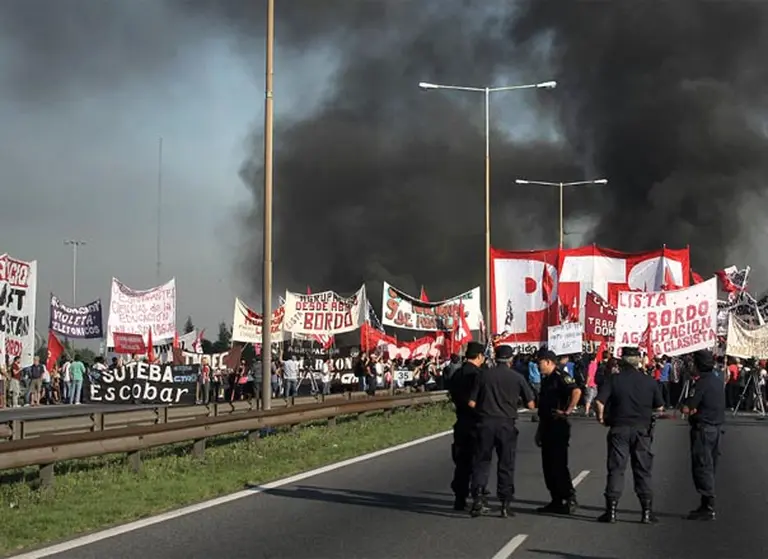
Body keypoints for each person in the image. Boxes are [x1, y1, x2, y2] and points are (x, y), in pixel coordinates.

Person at [594, 346, 664, 524]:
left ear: (622, 361)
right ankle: (646, 512)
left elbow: (599, 401)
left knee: (616, 469)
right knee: (643, 470)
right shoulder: (649, 382)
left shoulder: (614, 380)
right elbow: (660, 407)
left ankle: (611, 511)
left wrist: (601, 417)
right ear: (639, 361)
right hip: (642, 430)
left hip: (619, 428)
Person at [468, 345, 536, 518]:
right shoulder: (517, 378)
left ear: (494, 358)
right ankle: (505, 503)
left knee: (482, 462)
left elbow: (472, 403)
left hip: (485, 423)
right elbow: (530, 404)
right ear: (510, 360)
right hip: (506, 424)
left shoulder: (483, 376)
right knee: (506, 463)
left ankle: (477, 498)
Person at [535, 348, 582, 515]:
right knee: (547, 466)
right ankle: (555, 499)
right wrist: (539, 431)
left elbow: (576, 391)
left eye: (539, 362)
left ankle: (569, 497)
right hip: (547, 425)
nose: (537, 365)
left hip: (558, 426)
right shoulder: (546, 379)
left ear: (548, 362)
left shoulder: (560, 376)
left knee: (558, 464)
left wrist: (568, 410)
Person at [682, 349, 725, 521]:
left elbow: (689, 407)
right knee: (710, 465)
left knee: (702, 465)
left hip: (703, 429)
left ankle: (708, 506)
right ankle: (705, 502)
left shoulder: (701, 383)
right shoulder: (717, 380)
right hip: (715, 428)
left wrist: (683, 406)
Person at [446, 341, 485, 511]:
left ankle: (460, 497)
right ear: (479, 356)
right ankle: (478, 496)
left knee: (462, 462)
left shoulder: (457, 374)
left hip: (461, 421)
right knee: (478, 461)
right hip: (477, 422)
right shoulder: (480, 375)